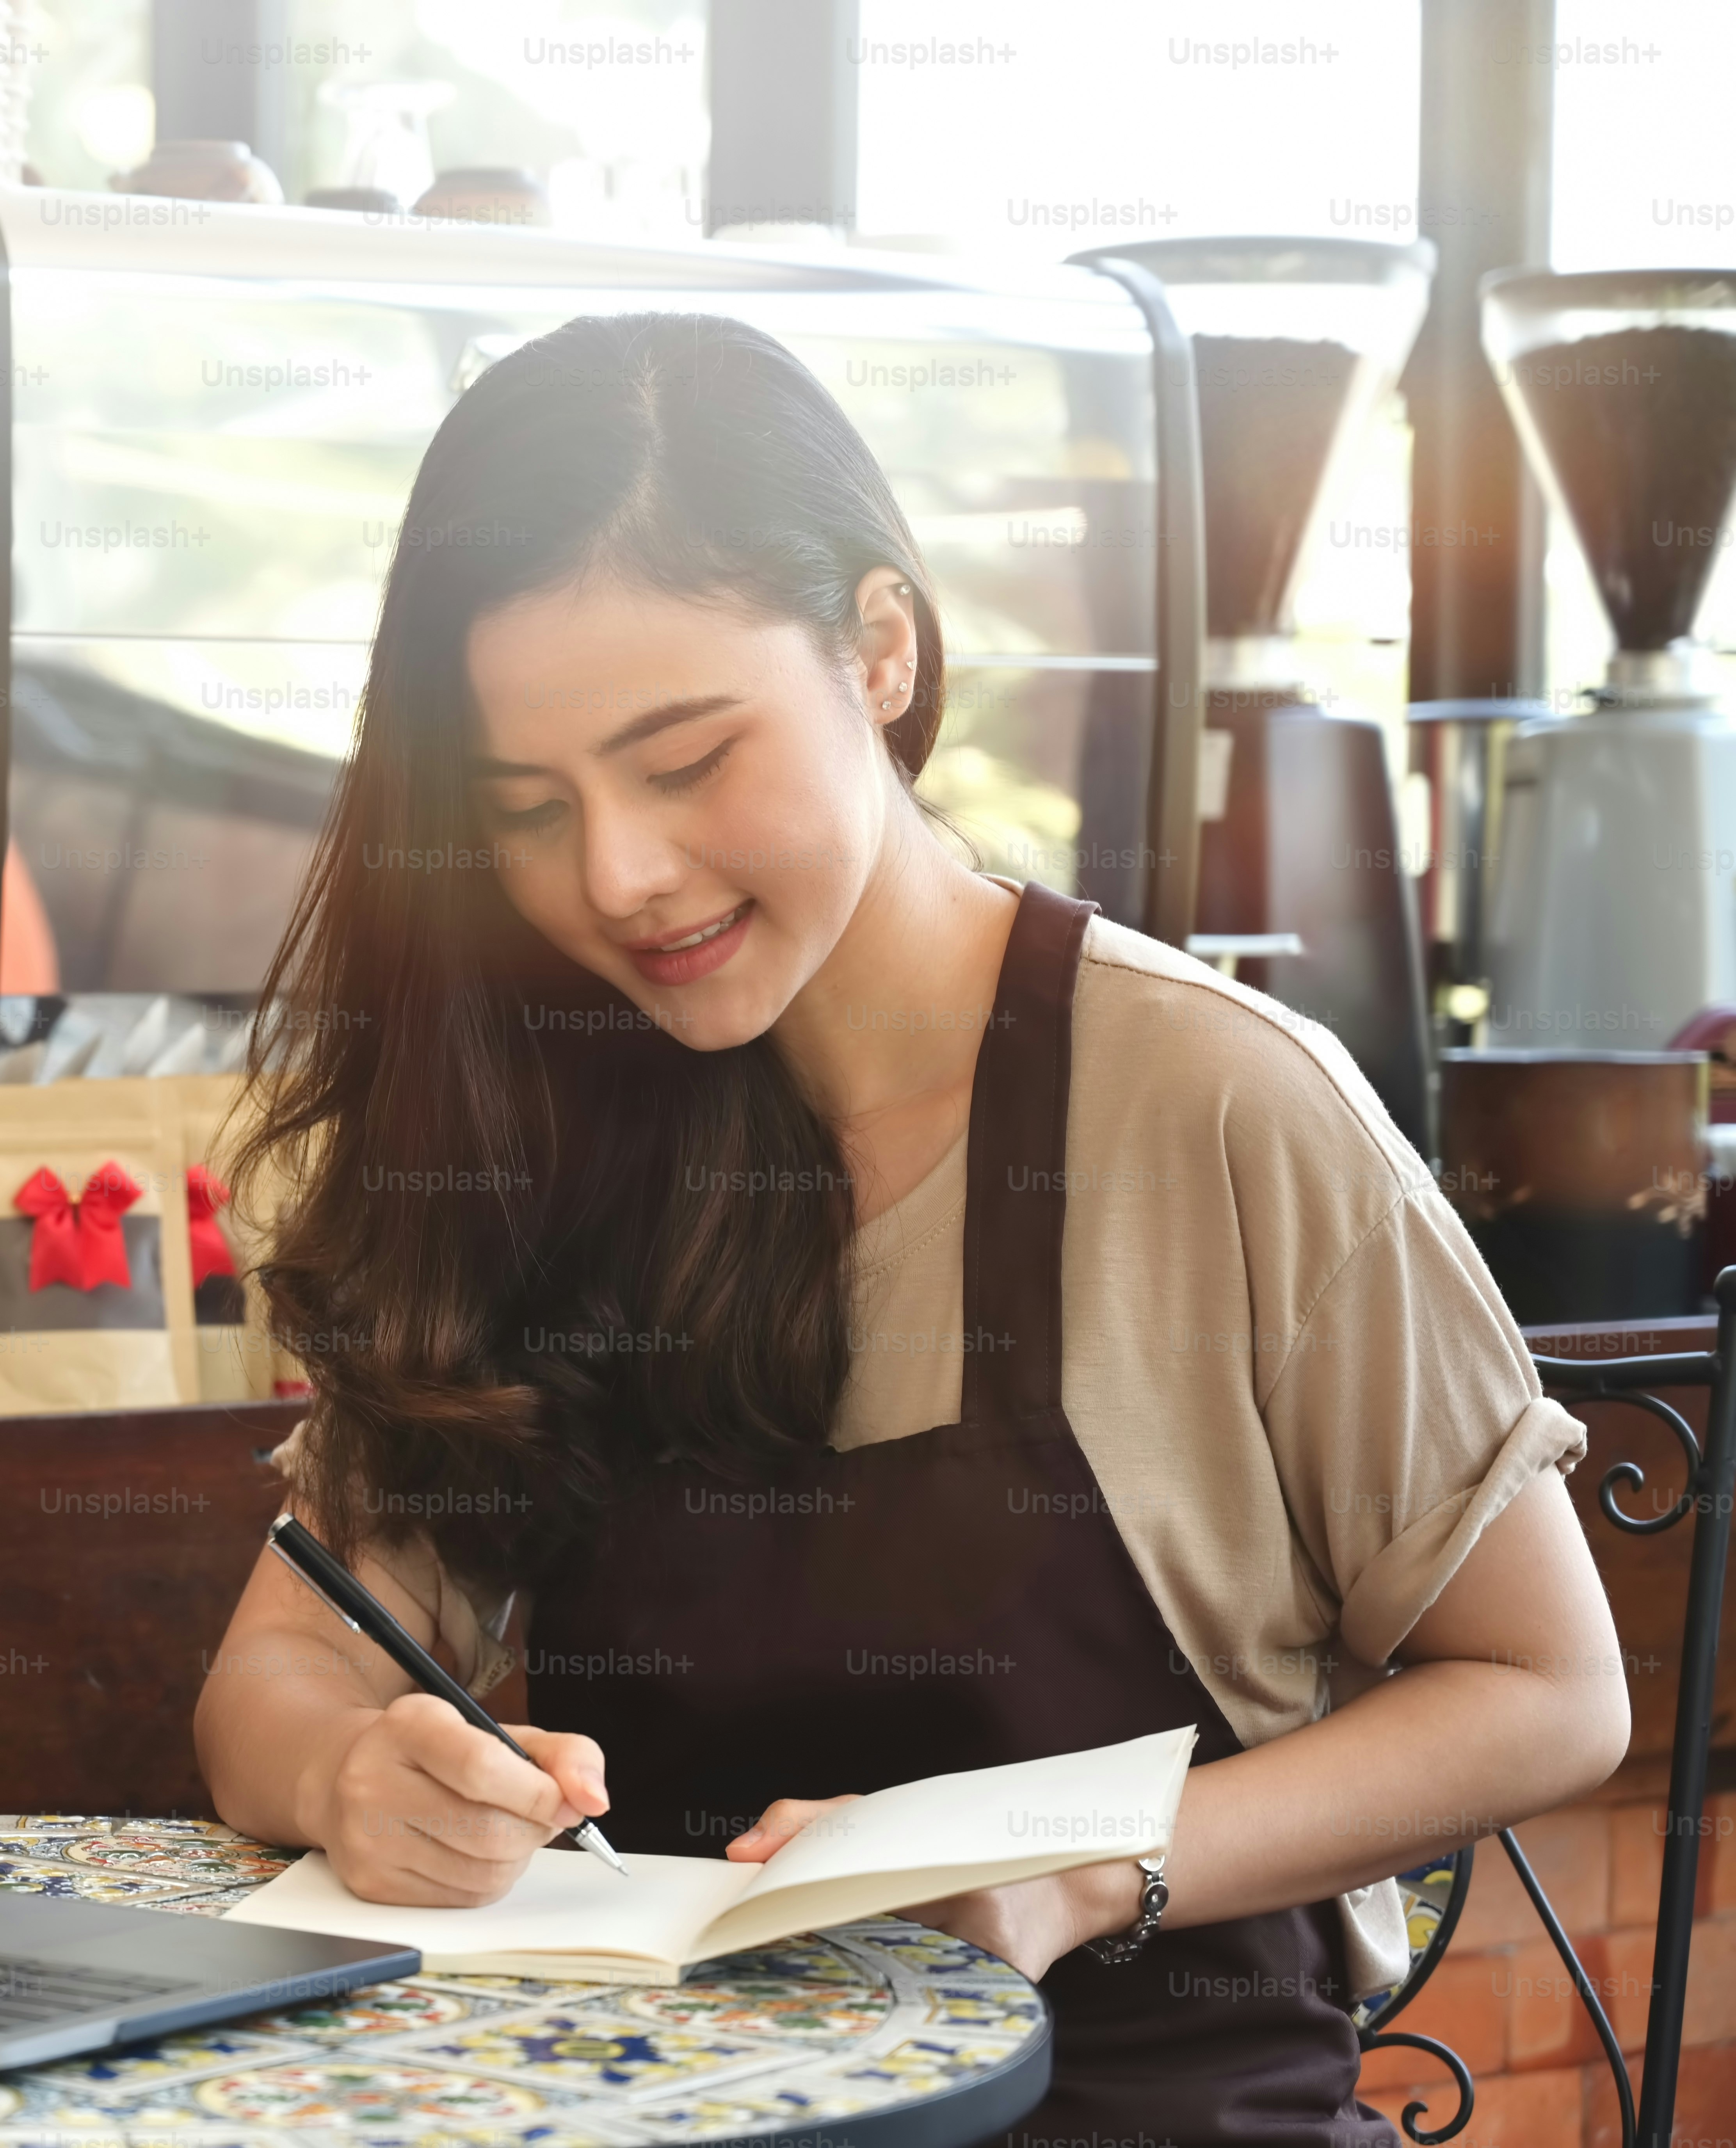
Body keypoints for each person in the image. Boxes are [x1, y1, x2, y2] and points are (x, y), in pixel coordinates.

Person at [193, 312, 1628, 2146]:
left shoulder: (1218, 1102)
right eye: (527, 809)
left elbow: (1548, 1691)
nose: (617, 875)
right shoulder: (537, 1117)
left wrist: (1088, 1867)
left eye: (688, 758)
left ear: (881, 649)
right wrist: (350, 1767)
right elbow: (279, 1674)